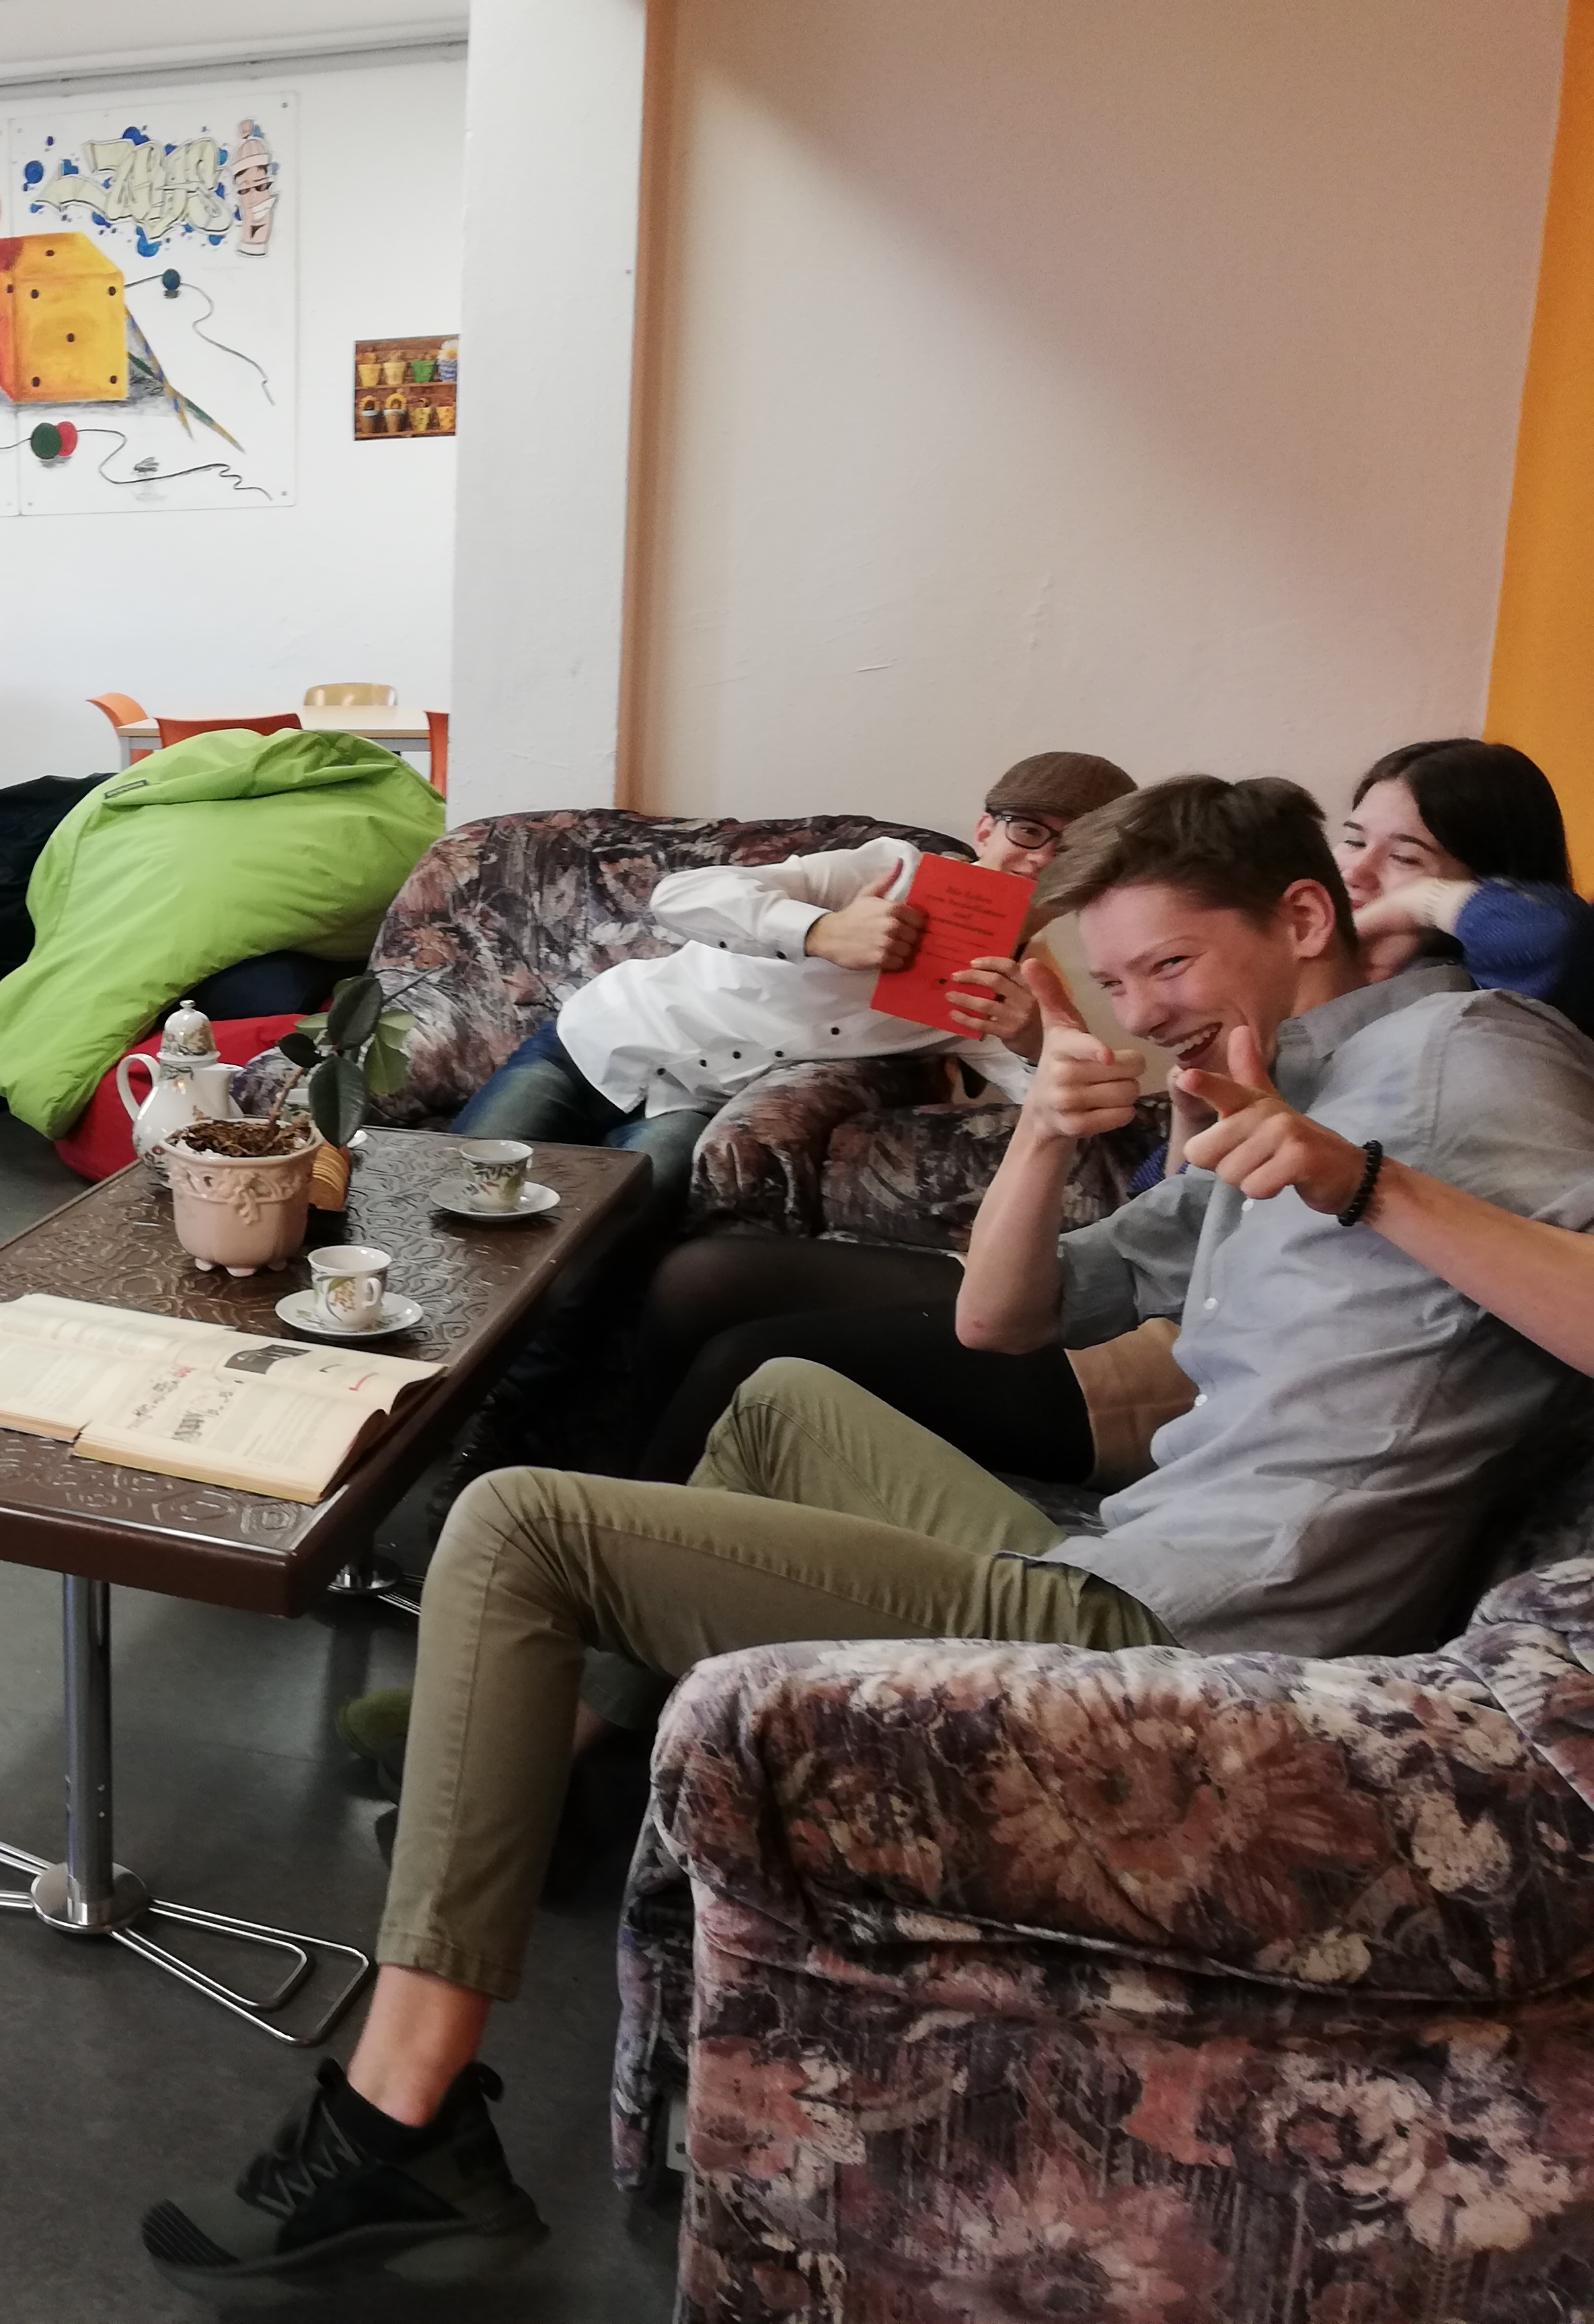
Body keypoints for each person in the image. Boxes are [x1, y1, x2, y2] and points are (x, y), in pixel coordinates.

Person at [143, 773, 1594, 2302]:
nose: (1147, 1008)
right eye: (1121, 979)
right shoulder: (1275, 1088)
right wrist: (1045, 1130)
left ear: (1300, 918)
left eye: (1170, 963)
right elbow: (1001, 1318)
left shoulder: (1461, 1053)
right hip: (1130, 1556)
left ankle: (401, 2120)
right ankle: (568, 1756)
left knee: (517, 1525)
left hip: (1192, 1647)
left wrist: (1369, 1185)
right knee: (777, 1396)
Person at [625, 736, 1593, 1489]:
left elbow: (1556, 939)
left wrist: (1424, 906)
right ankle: (590, 1500)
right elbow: (1154, 1214)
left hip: (1170, 1353)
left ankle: (602, 1592)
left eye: (1409, 856)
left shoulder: (1466, 1025)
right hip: (1128, 1280)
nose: (1365, 874)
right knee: (701, 1279)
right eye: (1354, 839)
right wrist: (1105, 1104)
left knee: (753, 1356)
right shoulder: (1284, 1020)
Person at [450, 750, 1138, 1233]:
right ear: (986, 828)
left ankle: (516, 1395)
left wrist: (1034, 1040)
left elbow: (1062, 1113)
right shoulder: (885, 871)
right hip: (600, 1041)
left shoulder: (1012, 988)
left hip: (691, 1105)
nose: (1042, 859)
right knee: (454, 1195)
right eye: (1028, 831)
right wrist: (821, 931)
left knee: (595, 1237)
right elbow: (679, 896)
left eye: (1074, 851)